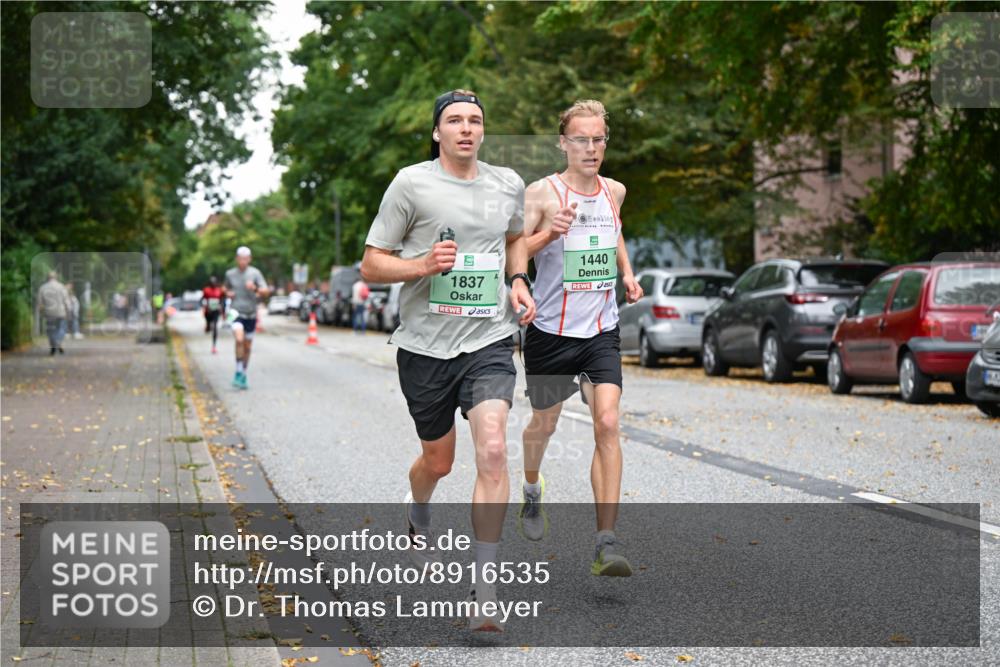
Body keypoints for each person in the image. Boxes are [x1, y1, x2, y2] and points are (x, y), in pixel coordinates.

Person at [360, 89, 535, 633]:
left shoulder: (508, 183)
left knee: (493, 448)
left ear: (483, 130)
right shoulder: (411, 183)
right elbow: (371, 265)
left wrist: (519, 280)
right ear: (437, 132)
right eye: (454, 120)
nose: (466, 128)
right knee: (438, 463)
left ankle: (485, 594)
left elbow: (515, 241)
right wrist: (421, 266)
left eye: (475, 120)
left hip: (488, 339)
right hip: (425, 348)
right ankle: (418, 513)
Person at [519, 100, 643, 577]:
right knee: (543, 427)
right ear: (563, 142)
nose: (590, 148)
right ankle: (531, 489)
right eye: (580, 140)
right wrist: (549, 233)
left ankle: (605, 541)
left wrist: (627, 274)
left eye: (598, 140)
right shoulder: (541, 193)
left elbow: (614, 234)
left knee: (607, 423)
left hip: (600, 331)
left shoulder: (615, 190)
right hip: (551, 332)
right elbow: (513, 250)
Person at [223, 247, 269, 390]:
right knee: (239, 339)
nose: (242, 261)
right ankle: (237, 371)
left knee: (248, 347)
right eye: (240, 258)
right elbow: (224, 288)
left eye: (245, 258)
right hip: (235, 312)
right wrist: (227, 293)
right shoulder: (230, 274)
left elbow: (266, 292)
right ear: (237, 259)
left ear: (249, 259)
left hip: (251, 313)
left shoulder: (255, 273)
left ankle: (243, 373)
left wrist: (255, 288)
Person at [37, 271, 72, 355]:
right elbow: (66, 301)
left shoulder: (43, 288)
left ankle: (53, 345)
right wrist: (68, 310)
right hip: (60, 312)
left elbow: (40, 302)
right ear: (56, 277)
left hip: (49, 313)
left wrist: (41, 312)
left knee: (50, 330)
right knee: (61, 328)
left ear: (48, 278)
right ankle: (58, 342)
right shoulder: (61, 287)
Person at [202, 276, 224, 354]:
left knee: (215, 327)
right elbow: (202, 299)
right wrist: (205, 306)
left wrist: (221, 307)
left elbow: (222, 300)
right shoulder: (206, 290)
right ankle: (207, 325)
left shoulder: (219, 290)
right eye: (211, 282)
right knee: (209, 328)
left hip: (216, 311)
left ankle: (214, 346)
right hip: (208, 311)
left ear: (216, 283)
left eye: (214, 282)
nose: (213, 283)